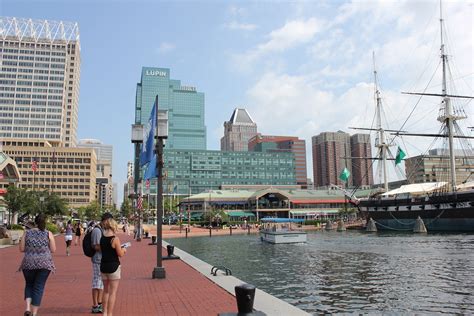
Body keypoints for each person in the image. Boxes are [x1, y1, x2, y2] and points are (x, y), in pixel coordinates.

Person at [19, 214, 56, 316]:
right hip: (44, 264)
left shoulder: (27, 233)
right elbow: (53, 250)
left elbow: (21, 249)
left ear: (35, 222)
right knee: (38, 287)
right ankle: (34, 313)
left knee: (29, 284)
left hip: (28, 263)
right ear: (45, 222)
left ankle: (27, 308)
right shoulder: (48, 233)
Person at [100, 216, 126, 316]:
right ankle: (110, 314)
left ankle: (104, 313)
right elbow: (120, 254)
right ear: (113, 226)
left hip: (103, 266)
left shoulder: (102, 238)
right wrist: (124, 250)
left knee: (105, 291)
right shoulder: (115, 239)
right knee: (112, 292)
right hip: (113, 267)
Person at [90, 213, 110, 313]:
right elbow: (95, 246)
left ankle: (99, 303)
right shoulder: (97, 231)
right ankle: (95, 305)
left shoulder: (102, 230)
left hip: (102, 259)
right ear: (105, 220)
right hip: (97, 259)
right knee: (96, 282)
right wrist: (109, 247)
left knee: (101, 283)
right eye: (109, 221)